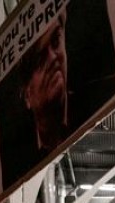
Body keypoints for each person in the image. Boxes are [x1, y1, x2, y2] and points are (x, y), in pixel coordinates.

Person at [20, 13, 70, 158]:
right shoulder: (17, 153)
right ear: (27, 95)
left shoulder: (91, 110)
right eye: (40, 59)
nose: (53, 57)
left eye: (56, 42)